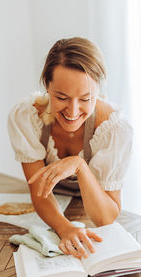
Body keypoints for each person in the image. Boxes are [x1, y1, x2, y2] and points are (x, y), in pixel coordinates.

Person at [8, 37, 132, 259]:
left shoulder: (114, 130)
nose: (73, 112)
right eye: (61, 97)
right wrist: (63, 228)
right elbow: (40, 191)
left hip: (92, 207)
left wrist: (80, 166)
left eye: (86, 99)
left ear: (98, 91)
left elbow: (105, 218)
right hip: (49, 208)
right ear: (47, 86)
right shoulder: (26, 117)